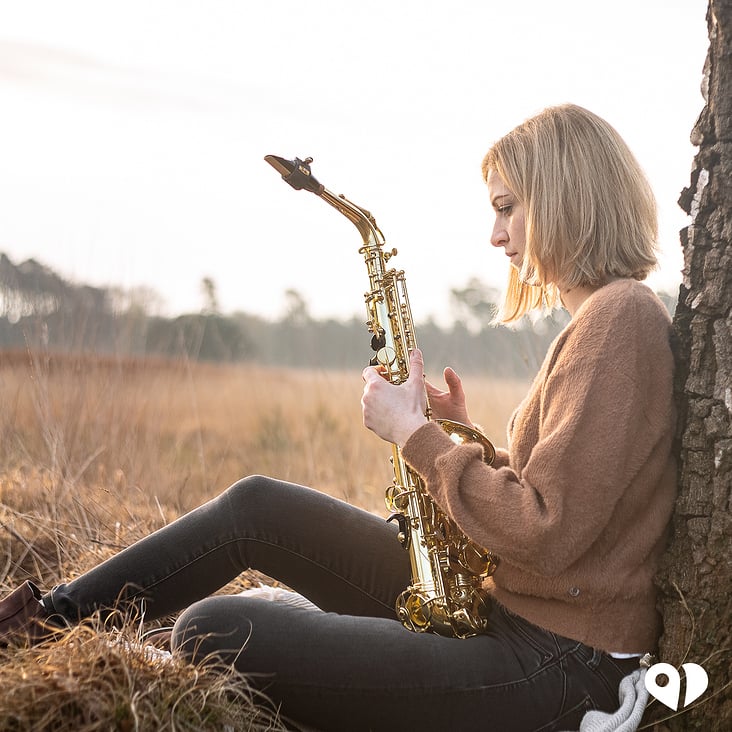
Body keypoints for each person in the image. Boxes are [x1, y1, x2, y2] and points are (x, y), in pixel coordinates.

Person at [0, 104, 677, 732]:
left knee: (211, 630)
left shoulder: (620, 318)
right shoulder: (604, 319)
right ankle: (42, 624)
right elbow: (572, 502)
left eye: (508, 208)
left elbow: (546, 530)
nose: (496, 234)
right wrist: (461, 439)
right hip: (515, 617)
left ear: (564, 198)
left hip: (557, 665)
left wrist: (420, 440)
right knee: (257, 506)